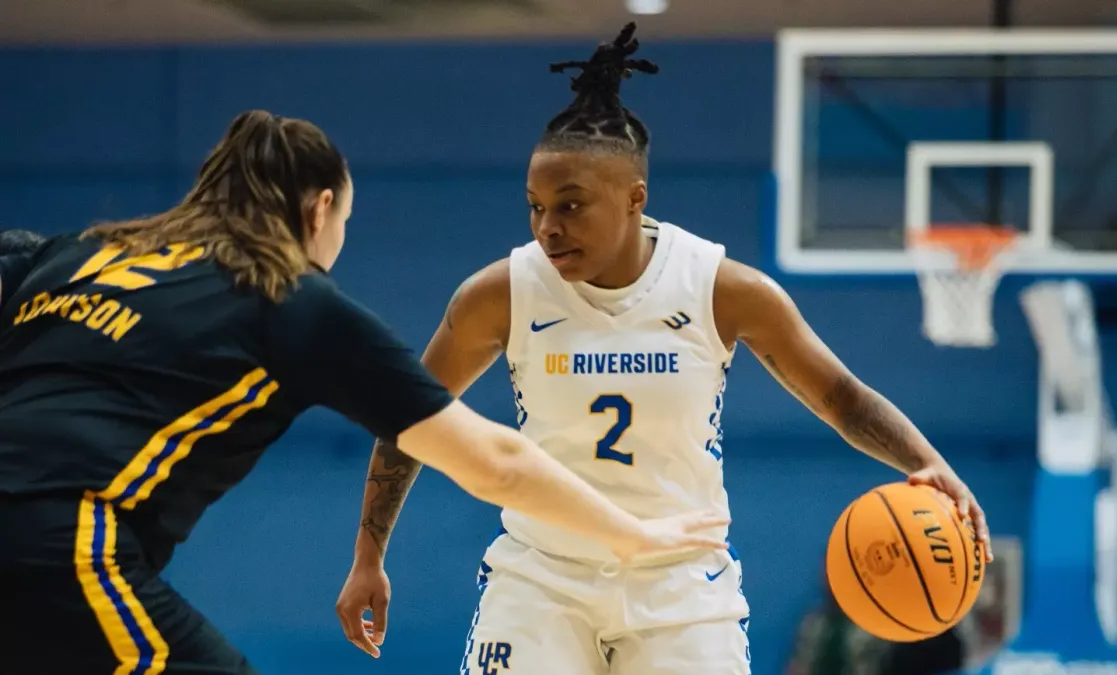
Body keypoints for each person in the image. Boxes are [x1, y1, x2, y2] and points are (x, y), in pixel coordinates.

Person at [335, 23, 993, 675]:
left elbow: (842, 398)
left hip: (681, 580)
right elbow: (410, 418)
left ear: (633, 198)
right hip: (544, 576)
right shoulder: (500, 293)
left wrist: (928, 461)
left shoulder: (720, 288)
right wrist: (369, 555)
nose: (548, 227)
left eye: (570, 205)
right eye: (535, 206)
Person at [0, 110, 729, 675]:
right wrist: (633, 533)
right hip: (58, 541)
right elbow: (492, 460)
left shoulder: (72, 255)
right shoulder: (287, 297)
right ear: (318, 211)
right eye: (343, 222)